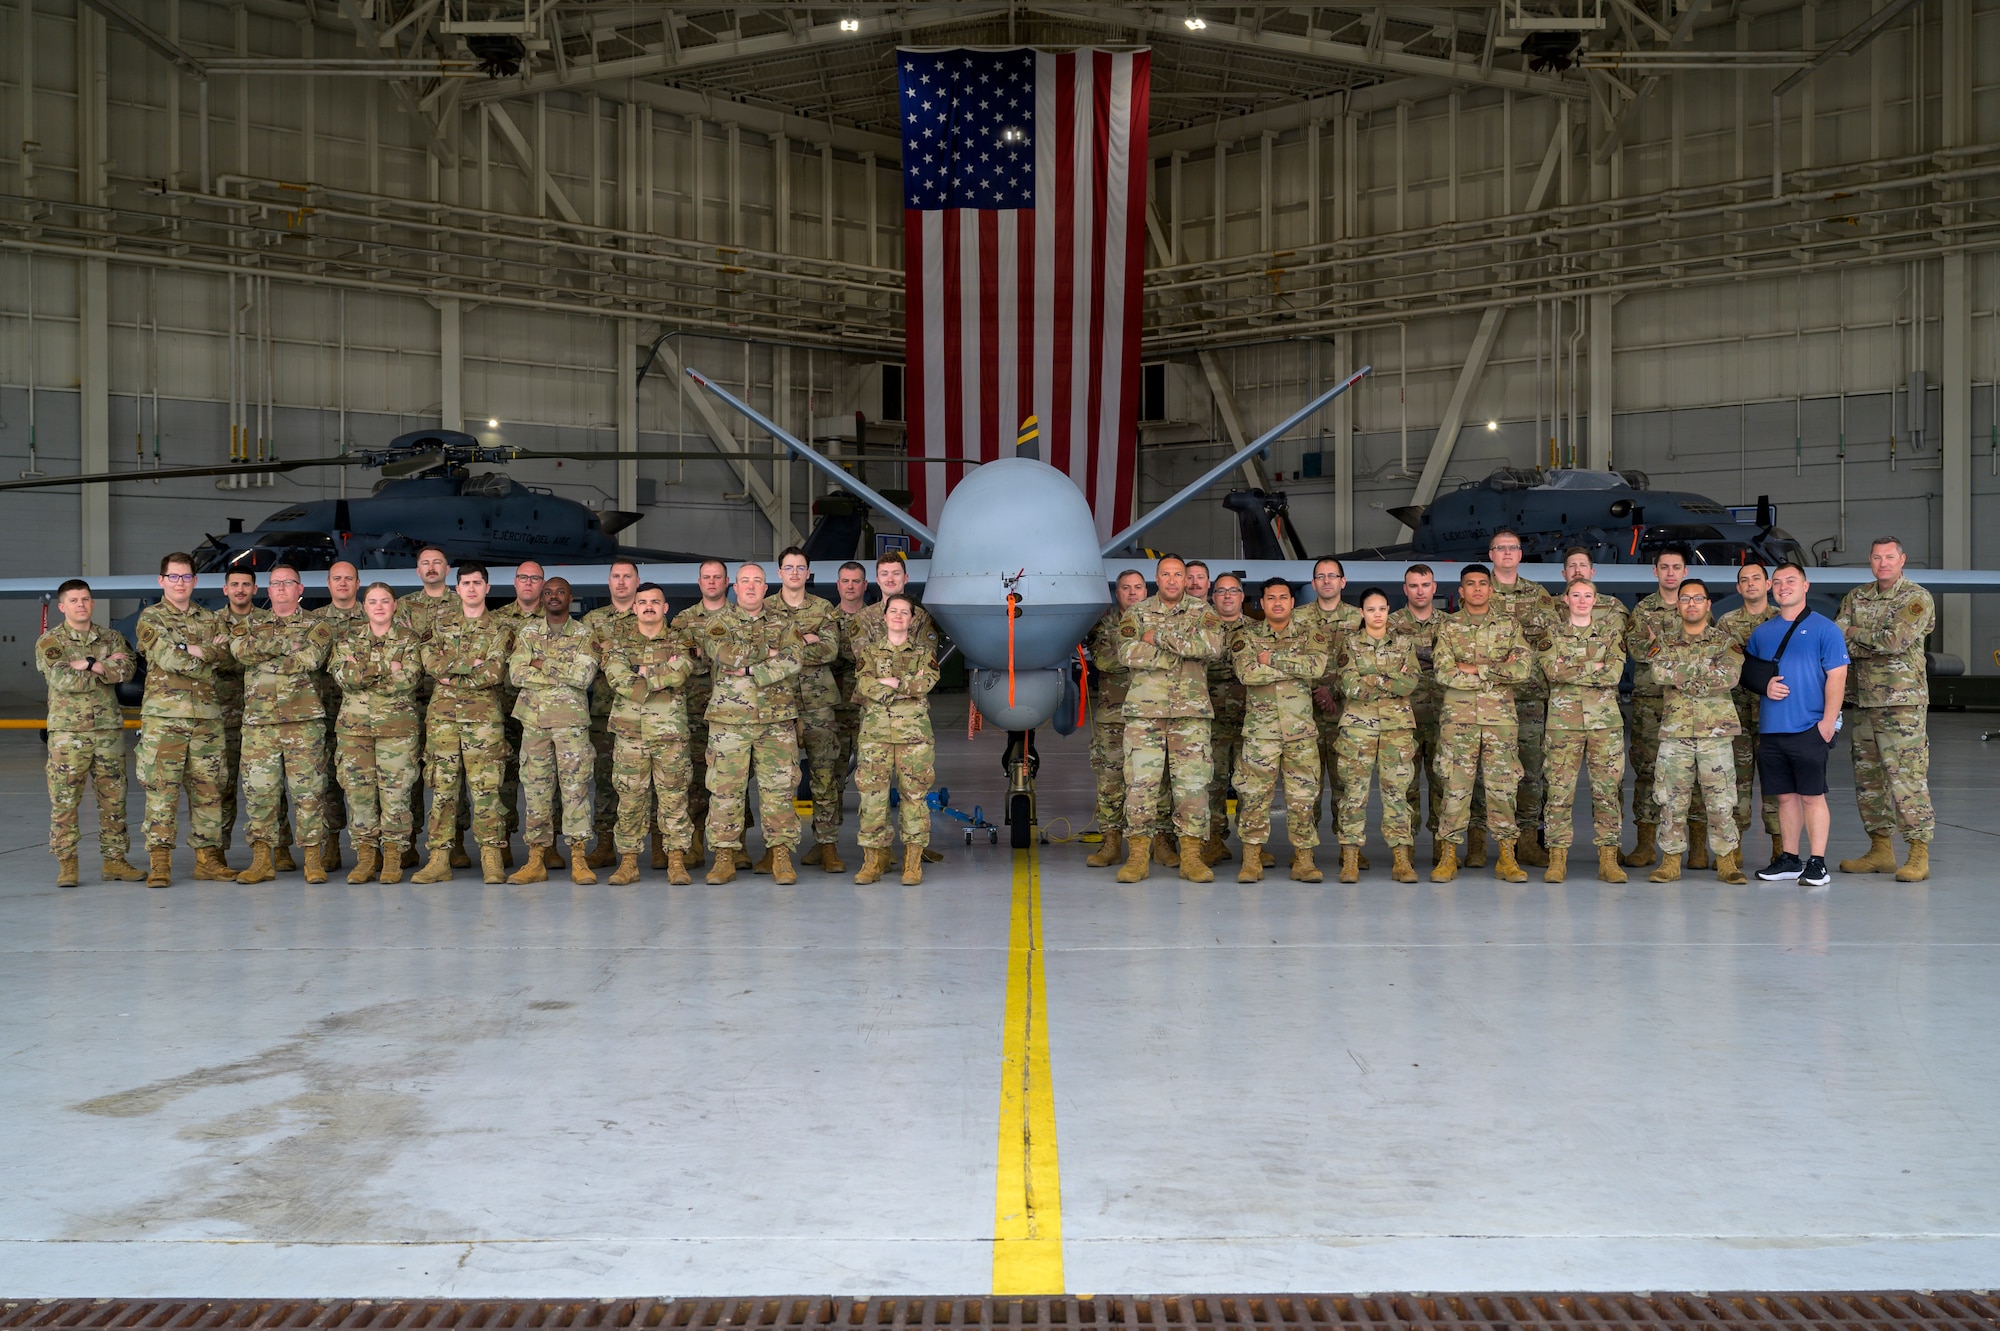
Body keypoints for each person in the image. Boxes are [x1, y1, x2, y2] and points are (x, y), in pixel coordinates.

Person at [1114, 555, 1226, 883]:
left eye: (1179, 574)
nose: (1173, 580)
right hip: (1145, 714)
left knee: (1192, 786)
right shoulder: (1137, 613)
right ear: (1157, 578)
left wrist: (1159, 638)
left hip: (1190, 714)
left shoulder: (1204, 612)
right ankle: (1137, 857)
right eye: (1166, 574)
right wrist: (1180, 651)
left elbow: (1211, 647)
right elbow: (1126, 652)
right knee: (1140, 786)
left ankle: (1191, 857)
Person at [1835, 536, 1936, 881]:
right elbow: (1837, 637)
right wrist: (1869, 639)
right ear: (1870, 560)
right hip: (1863, 702)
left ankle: (1918, 852)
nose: (1883, 563)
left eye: (1889, 557)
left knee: (1907, 779)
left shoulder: (1916, 597)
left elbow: (1896, 642)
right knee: (1869, 781)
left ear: (1902, 559)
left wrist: (1855, 634)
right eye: (1877, 557)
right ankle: (1881, 850)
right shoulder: (1857, 596)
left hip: (1901, 705)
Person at [229, 564, 336, 884]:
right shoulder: (248, 623)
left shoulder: (319, 624)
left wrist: (265, 650)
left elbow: (312, 658)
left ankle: (313, 859)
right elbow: (240, 652)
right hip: (260, 724)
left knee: (310, 793)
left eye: (288, 583)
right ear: (267, 589)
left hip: (303, 723)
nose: (281, 588)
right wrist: (287, 645)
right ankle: (262, 859)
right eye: (275, 583)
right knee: (260, 794)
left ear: (300, 589)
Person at [698, 563, 805, 885]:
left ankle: (781, 856)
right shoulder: (718, 622)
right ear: (735, 586)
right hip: (729, 720)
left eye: (757, 581)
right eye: (745, 581)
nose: (750, 587)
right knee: (725, 791)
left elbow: (794, 658)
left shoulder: (784, 623)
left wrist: (750, 671)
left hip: (777, 720)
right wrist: (766, 652)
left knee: (779, 790)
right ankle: (724, 857)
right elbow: (722, 652)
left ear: (765, 586)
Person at [133, 553, 234, 887]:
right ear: (161, 580)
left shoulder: (211, 619)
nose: (180, 583)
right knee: (162, 789)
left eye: (186, 577)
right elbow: (168, 657)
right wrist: (203, 653)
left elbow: (227, 654)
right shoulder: (149, 618)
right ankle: (160, 861)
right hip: (165, 718)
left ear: (195, 580)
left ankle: (207, 860)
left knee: (209, 789)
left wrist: (190, 649)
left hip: (206, 718)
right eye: (173, 577)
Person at [413, 561, 515, 885]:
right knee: (442, 791)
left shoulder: (501, 630)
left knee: (486, 791)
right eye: (465, 583)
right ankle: (439, 860)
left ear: (487, 588)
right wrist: (471, 667)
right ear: (457, 589)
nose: (471, 588)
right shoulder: (438, 628)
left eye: (477, 583)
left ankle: (492, 858)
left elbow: (494, 672)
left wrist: (451, 674)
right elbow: (430, 665)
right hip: (443, 720)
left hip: (483, 721)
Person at [1430, 564, 1533, 882]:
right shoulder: (1448, 627)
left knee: (1503, 789)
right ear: (1461, 591)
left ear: (1491, 589)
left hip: (1500, 721)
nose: (1476, 588)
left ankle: (1507, 858)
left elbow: (1523, 670)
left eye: (1482, 584)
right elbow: (1444, 672)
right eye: (1470, 584)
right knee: (1455, 788)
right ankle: (1448, 856)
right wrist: (1498, 668)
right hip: (1458, 722)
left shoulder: (1508, 625)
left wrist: (1474, 669)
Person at [1749, 562, 1849, 887]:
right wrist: (1764, 687)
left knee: (1811, 796)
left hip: (1809, 726)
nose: (1783, 586)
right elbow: (1751, 673)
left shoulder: (1826, 630)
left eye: (1791, 580)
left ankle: (1817, 862)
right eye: (1777, 582)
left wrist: (1827, 723)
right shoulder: (1762, 632)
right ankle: (1790, 859)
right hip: (1773, 729)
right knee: (1785, 798)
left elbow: (1837, 676)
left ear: (1806, 586)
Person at [37, 579, 141, 887]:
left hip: (107, 732)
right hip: (68, 735)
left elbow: (127, 671)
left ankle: (115, 861)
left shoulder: (111, 636)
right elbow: (63, 680)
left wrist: (88, 663)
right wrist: (104, 668)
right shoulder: (50, 641)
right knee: (65, 800)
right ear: (62, 606)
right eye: (74, 600)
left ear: (92, 603)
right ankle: (67, 864)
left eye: (85, 599)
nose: (80, 604)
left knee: (114, 799)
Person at [1644, 578, 1748, 884]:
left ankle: (1726, 861)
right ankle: (1671, 860)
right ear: (1678, 604)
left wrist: (1684, 677)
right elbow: (1659, 672)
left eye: (1697, 598)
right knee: (1671, 799)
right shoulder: (1663, 642)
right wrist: (1705, 673)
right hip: (1676, 734)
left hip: (1715, 734)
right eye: (1685, 598)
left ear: (1708, 604)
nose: (1691, 604)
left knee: (1721, 800)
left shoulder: (1724, 641)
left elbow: (1729, 676)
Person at [1229, 577, 1330, 883]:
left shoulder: (1311, 634)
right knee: (1255, 796)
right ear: (1262, 602)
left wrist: (1272, 658)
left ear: (1291, 602)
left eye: (1283, 597)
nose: (1277, 603)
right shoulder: (1246, 636)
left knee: (1303, 797)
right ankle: (1251, 860)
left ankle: (1304, 860)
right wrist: (1294, 663)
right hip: (1262, 733)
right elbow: (1247, 673)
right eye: (1271, 598)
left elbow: (1316, 668)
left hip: (1300, 731)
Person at [506, 576, 600, 885]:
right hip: (534, 724)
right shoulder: (528, 631)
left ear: (571, 597)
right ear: (542, 598)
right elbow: (517, 674)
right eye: (548, 593)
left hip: (571, 725)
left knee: (575, 790)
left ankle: (578, 858)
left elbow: (584, 676)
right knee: (535, 791)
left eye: (560, 591)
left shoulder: (585, 634)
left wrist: (541, 661)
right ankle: (537, 859)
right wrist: (561, 670)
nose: (553, 596)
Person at [599, 583, 695, 885]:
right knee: (629, 800)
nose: (649, 606)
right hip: (630, 734)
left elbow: (681, 671)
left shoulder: (681, 639)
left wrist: (640, 672)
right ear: (634, 607)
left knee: (674, 798)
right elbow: (616, 677)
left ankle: (676, 861)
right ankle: (628, 862)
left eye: (655, 601)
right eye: (643, 602)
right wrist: (658, 676)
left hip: (670, 734)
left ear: (666, 607)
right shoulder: (618, 642)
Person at [330, 583, 424, 884]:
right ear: (364, 606)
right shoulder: (347, 637)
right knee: (359, 796)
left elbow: (408, 679)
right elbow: (343, 677)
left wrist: (364, 669)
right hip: (354, 731)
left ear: (395, 605)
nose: (380, 606)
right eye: (373, 601)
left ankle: (394, 858)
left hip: (396, 731)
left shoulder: (409, 639)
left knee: (396, 796)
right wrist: (388, 667)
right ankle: (366, 858)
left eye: (385, 601)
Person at [1537, 577, 1628, 884]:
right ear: (1566, 599)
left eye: (1587, 595)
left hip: (1605, 724)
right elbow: (1552, 671)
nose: (1581, 600)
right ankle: (1557, 858)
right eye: (1575, 595)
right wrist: (1595, 667)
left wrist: (1572, 667)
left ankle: (1609, 859)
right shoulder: (1553, 633)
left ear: (1595, 599)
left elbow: (1614, 673)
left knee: (1607, 792)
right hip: (1564, 724)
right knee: (1559, 791)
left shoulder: (1610, 632)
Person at [851, 593, 942, 885]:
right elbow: (863, 684)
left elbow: (926, 682)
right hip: (875, 736)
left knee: (914, 797)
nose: (899, 616)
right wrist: (904, 688)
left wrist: (893, 683)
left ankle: (912, 863)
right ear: (885, 616)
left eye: (905, 612)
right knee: (872, 798)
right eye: (894, 611)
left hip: (913, 737)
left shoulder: (923, 653)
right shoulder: (870, 653)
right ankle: (873, 862)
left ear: (912, 619)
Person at [768, 547, 848, 872]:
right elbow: (762, 651)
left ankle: (826, 845)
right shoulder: (764, 609)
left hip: (818, 704)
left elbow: (830, 650)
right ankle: (777, 848)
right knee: (777, 780)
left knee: (825, 776)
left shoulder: (823, 608)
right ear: (779, 573)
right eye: (789, 567)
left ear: (808, 573)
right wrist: (806, 641)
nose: (795, 573)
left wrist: (785, 649)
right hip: (778, 705)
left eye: (801, 568)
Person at [1333, 588, 1421, 884]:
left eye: (1382, 608)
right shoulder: (1349, 644)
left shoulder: (1404, 643)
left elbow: (1409, 682)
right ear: (1361, 612)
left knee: (1397, 795)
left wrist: (1371, 678)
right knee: (1353, 796)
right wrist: (1389, 680)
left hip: (1396, 730)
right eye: (1371, 609)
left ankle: (1401, 861)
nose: (1377, 614)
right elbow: (1349, 684)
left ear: (1388, 610)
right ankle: (1350, 860)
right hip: (1359, 729)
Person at [1486, 529, 1557, 867]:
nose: (1508, 553)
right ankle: (1476, 842)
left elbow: (1550, 644)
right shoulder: (1479, 590)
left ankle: (1528, 840)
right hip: (1487, 699)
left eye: (1513, 547)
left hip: (1529, 698)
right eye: (1501, 548)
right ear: (1491, 554)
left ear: (1520, 554)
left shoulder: (1539, 595)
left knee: (1530, 771)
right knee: (1482, 773)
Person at [1623, 544, 1695, 868]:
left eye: (1675, 567)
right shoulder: (1643, 610)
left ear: (1685, 571)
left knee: (1692, 774)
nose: (1669, 572)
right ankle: (1645, 844)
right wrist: (1663, 649)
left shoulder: (1696, 606)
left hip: (1689, 704)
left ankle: (1698, 848)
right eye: (1664, 567)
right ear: (1655, 571)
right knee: (1647, 772)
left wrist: (1658, 646)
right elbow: (1636, 649)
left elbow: (1704, 652)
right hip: (1650, 703)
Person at [1716, 560, 1782, 864]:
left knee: (1775, 782)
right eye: (1745, 580)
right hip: (1738, 715)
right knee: (1736, 782)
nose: (1751, 584)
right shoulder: (1727, 623)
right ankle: (1734, 846)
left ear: (1768, 584)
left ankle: (1782, 848)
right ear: (1738, 588)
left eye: (1757, 578)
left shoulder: (1783, 620)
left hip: (1775, 714)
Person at [1083, 569, 1149, 869]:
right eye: (1126, 588)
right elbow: (1104, 661)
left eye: (1138, 587)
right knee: (1110, 781)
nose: (1133, 593)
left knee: (1151, 783)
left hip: (1151, 713)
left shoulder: (1157, 619)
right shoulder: (1105, 624)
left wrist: (1128, 653)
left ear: (1146, 591)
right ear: (1117, 592)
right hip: (1114, 716)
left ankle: (1157, 842)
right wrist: (1146, 652)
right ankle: (1111, 842)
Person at [579, 558, 642, 868]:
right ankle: (605, 844)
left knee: (646, 780)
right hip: (604, 711)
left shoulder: (648, 612)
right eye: (616, 576)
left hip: (643, 712)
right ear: (609, 582)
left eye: (627, 576)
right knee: (605, 779)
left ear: (636, 580)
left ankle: (656, 843)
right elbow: (587, 661)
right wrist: (628, 661)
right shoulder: (592, 620)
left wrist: (613, 655)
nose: (621, 582)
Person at [673, 557, 735, 869]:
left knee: (735, 777)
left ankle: (736, 846)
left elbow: (742, 658)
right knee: (696, 777)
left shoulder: (740, 619)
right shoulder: (684, 620)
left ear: (727, 582)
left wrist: (702, 654)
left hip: (733, 709)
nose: (711, 582)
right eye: (706, 577)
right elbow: (680, 660)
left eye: (717, 577)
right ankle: (695, 842)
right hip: (695, 709)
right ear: (699, 583)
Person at [1296, 557, 1360, 835]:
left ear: (1343, 582)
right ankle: (1304, 848)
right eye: (1320, 576)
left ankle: (1349, 847)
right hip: (1304, 713)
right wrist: (1316, 689)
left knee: (1346, 784)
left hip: (1345, 714)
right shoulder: (1297, 619)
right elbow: (1290, 659)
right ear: (1313, 583)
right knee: (1305, 784)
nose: (1326, 581)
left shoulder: (1359, 618)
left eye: (1332, 576)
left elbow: (1364, 663)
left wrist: (1331, 691)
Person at [1389, 563, 1449, 862]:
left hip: (1443, 717)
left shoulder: (1451, 624)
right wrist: (1433, 660)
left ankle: (1443, 847)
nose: (1420, 590)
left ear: (1434, 587)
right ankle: (1405, 848)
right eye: (1414, 585)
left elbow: (1454, 664)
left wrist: (1413, 660)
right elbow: (1385, 667)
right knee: (1404, 785)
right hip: (1404, 719)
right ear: (1405, 589)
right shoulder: (1390, 624)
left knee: (1443, 783)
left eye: (1425, 585)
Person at [312, 560, 367, 871]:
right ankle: (331, 842)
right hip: (324, 712)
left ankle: (375, 846)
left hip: (364, 715)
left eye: (349, 578)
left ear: (358, 583)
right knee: (327, 781)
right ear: (329, 583)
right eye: (337, 578)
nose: (343, 583)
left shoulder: (374, 615)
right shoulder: (314, 621)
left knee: (368, 783)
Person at [494, 560, 547, 866]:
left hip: (541, 710)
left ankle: (545, 845)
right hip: (502, 708)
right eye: (523, 578)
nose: (528, 583)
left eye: (535, 578)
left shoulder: (554, 619)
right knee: (504, 779)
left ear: (542, 584)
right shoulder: (497, 619)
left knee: (544, 779)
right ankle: (503, 841)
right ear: (515, 582)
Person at [1201, 573, 1251, 866]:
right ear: (1213, 597)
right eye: (1221, 591)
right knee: (1213, 785)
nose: (1228, 596)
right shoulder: (1203, 631)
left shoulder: (1257, 631)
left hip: (1249, 723)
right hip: (1214, 722)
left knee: (1251, 786)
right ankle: (1214, 841)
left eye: (1233, 591)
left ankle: (1251, 845)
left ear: (1242, 596)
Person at [213, 567, 258, 865]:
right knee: (222, 787)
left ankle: (274, 848)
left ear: (255, 589)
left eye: (246, 584)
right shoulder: (210, 622)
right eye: (235, 584)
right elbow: (207, 656)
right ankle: (217, 851)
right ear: (225, 589)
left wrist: (226, 652)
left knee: (267, 787)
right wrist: (251, 654)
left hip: (263, 717)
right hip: (223, 718)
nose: (240, 589)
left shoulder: (268, 622)